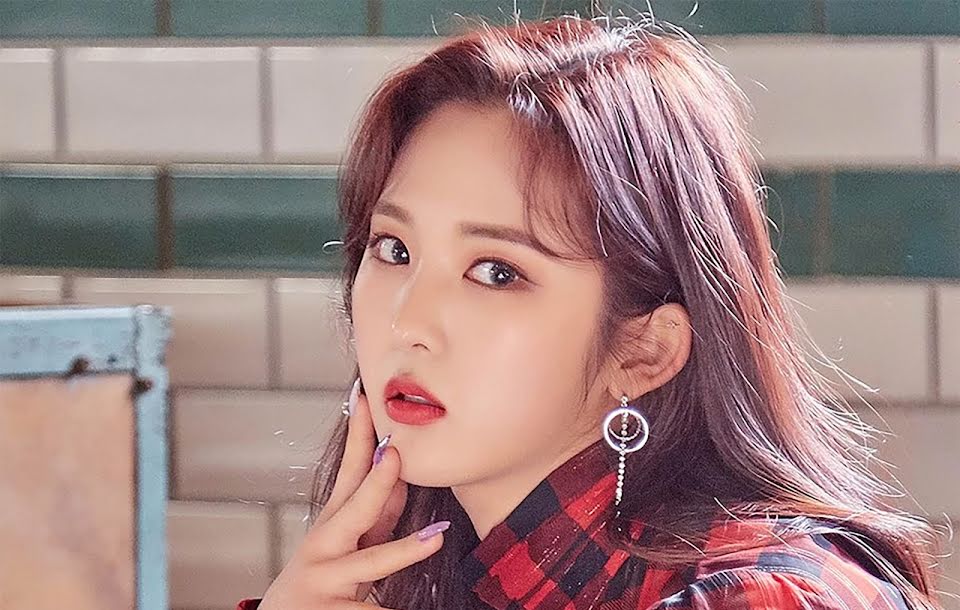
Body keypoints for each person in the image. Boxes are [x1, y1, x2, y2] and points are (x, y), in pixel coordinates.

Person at [238, 12, 945, 610]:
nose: (407, 322)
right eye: (393, 250)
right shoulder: (434, 579)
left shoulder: (762, 597)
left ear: (644, 350)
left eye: (496, 272)